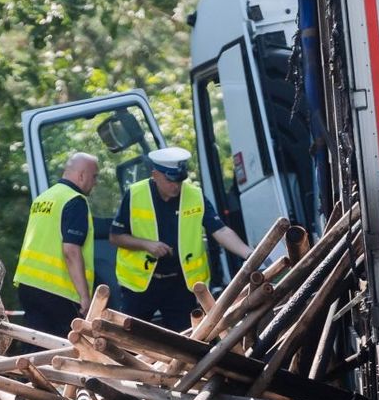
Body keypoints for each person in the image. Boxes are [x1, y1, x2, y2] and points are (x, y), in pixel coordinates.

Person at [110, 146, 253, 331]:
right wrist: (147, 245)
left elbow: (220, 231)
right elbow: (115, 237)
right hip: (141, 284)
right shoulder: (135, 194)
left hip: (180, 283)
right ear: (155, 175)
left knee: (186, 339)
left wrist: (249, 253)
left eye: (179, 180)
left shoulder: (194, 195)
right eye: (170, 180)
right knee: (130, 336)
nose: (176, 186)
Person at [13, 152, 99, 341]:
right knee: (68, 347)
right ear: (82, 175)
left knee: (36, 344)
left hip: (29, 286)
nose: (96, 182)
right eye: (95, 176)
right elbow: (71, 251)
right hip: (58, 291)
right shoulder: (75, 201)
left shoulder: (44, 198)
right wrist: (85, 296)